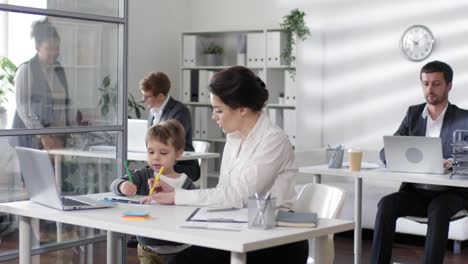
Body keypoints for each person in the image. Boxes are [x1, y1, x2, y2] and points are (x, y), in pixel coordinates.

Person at [141, 66, 308, 264]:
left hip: (276, 239)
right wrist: (175, 190)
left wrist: (177, 196)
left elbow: (238, 196)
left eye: (219, 110)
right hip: (239, 229)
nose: (214, 117)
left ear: (242, 108)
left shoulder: (274, 140)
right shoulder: (234, 137)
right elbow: (224, 192)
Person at [371, 60, 468, 264]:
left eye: (436, 83)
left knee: (439, 209)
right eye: (425, 83)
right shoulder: (413, 114)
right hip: (416, 192)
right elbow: (386, 151)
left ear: (449, 86)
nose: (429, 89)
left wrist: (452, 162)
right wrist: (395, 157)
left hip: (450, 194)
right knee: (386, 204)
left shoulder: (463, 118)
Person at [111, 119, 196, 264]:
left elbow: (196, 205)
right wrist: (123, 186)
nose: (155, 157)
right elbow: (115, 184)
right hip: (147, 247)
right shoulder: (144, 175)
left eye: (163, 152)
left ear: (178, 154)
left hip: (180, 249)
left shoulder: (185, 182)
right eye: (150, 152)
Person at [11, 18, 71, 150]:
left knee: (57, 171)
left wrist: (61, 135)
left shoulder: (59, 70)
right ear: (37, 47)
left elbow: (62, 108)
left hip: (55, 139)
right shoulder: (26, 70)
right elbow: (24, 108)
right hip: (32, 139)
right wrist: (44, 135)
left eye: (57, 48)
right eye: (49, 48)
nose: (54, 53)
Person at [139, 72, 200, 182]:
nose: (143, 100)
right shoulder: (152, 113)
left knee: (144, 178)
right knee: (139, 177)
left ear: (161, 96)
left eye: (147, 96)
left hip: (180, 165)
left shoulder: (180, 111)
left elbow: (171, 141)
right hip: (160, 164)